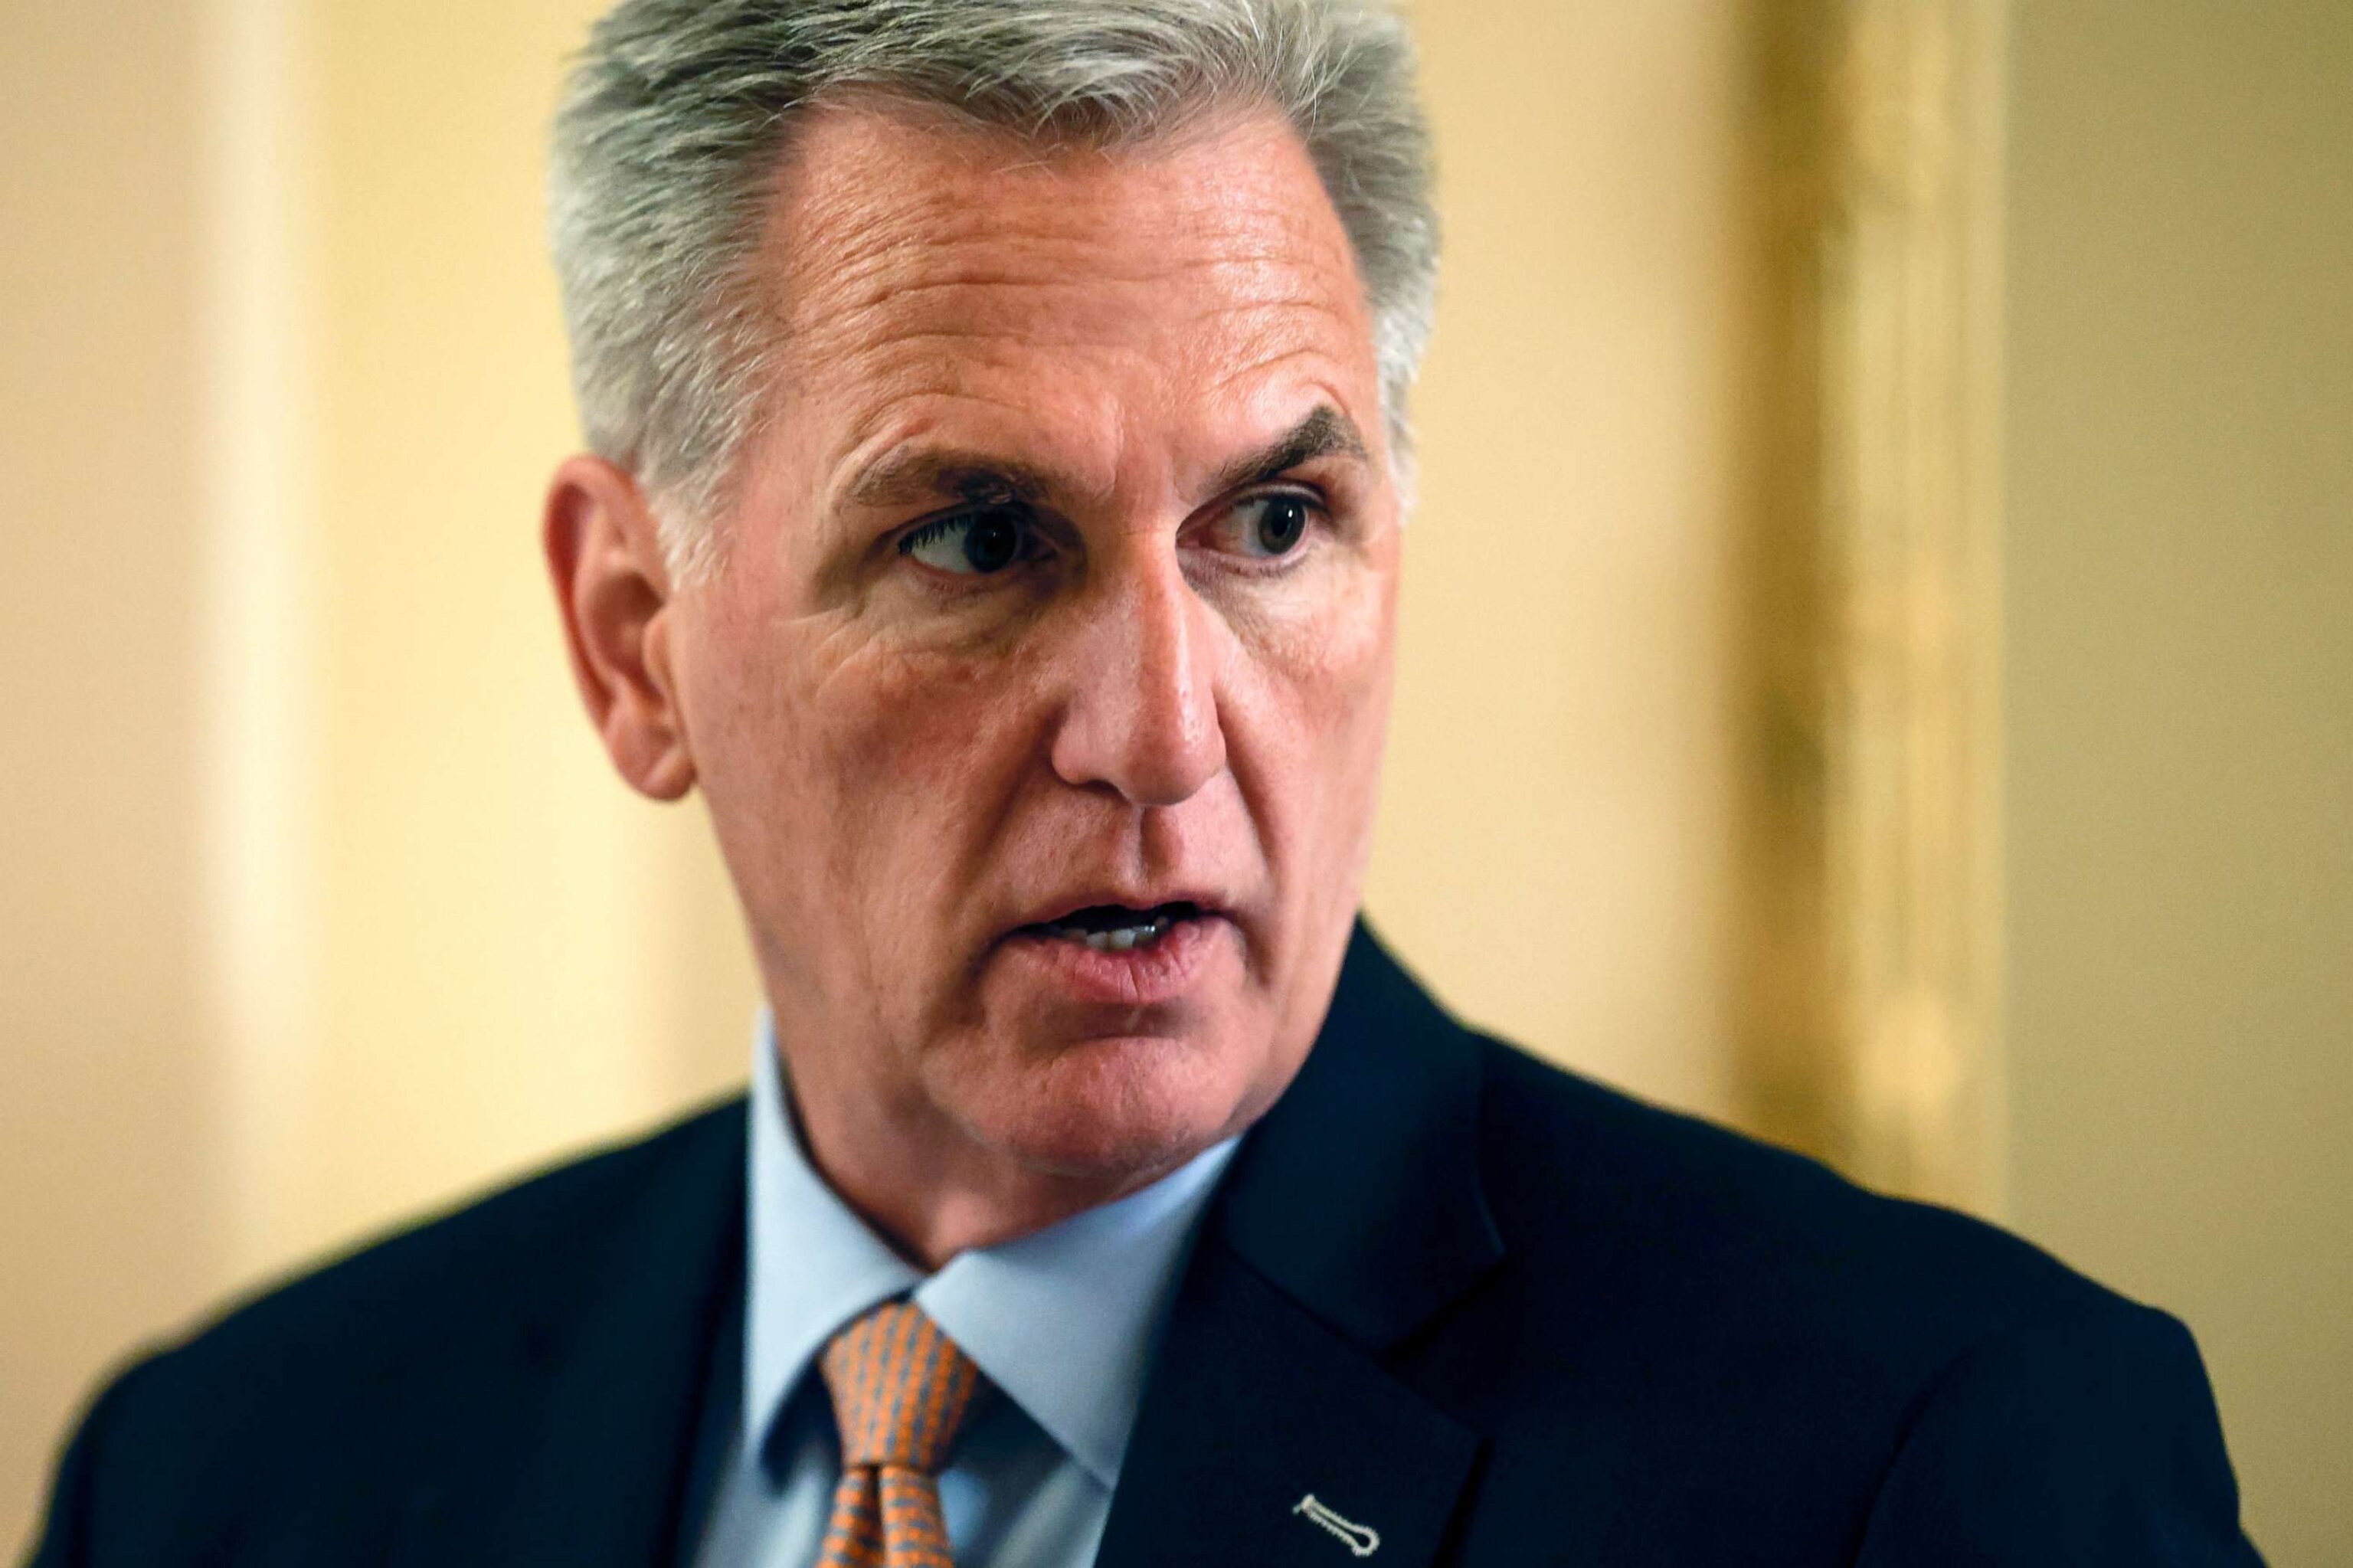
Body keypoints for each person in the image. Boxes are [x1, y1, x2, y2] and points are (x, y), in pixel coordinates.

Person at [28, 2, 2263, 1564]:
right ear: (635, 636)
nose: (1168, 735)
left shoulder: (1934, 1466)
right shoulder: (233, 1478)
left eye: (1274, 526)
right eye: (982, 542)